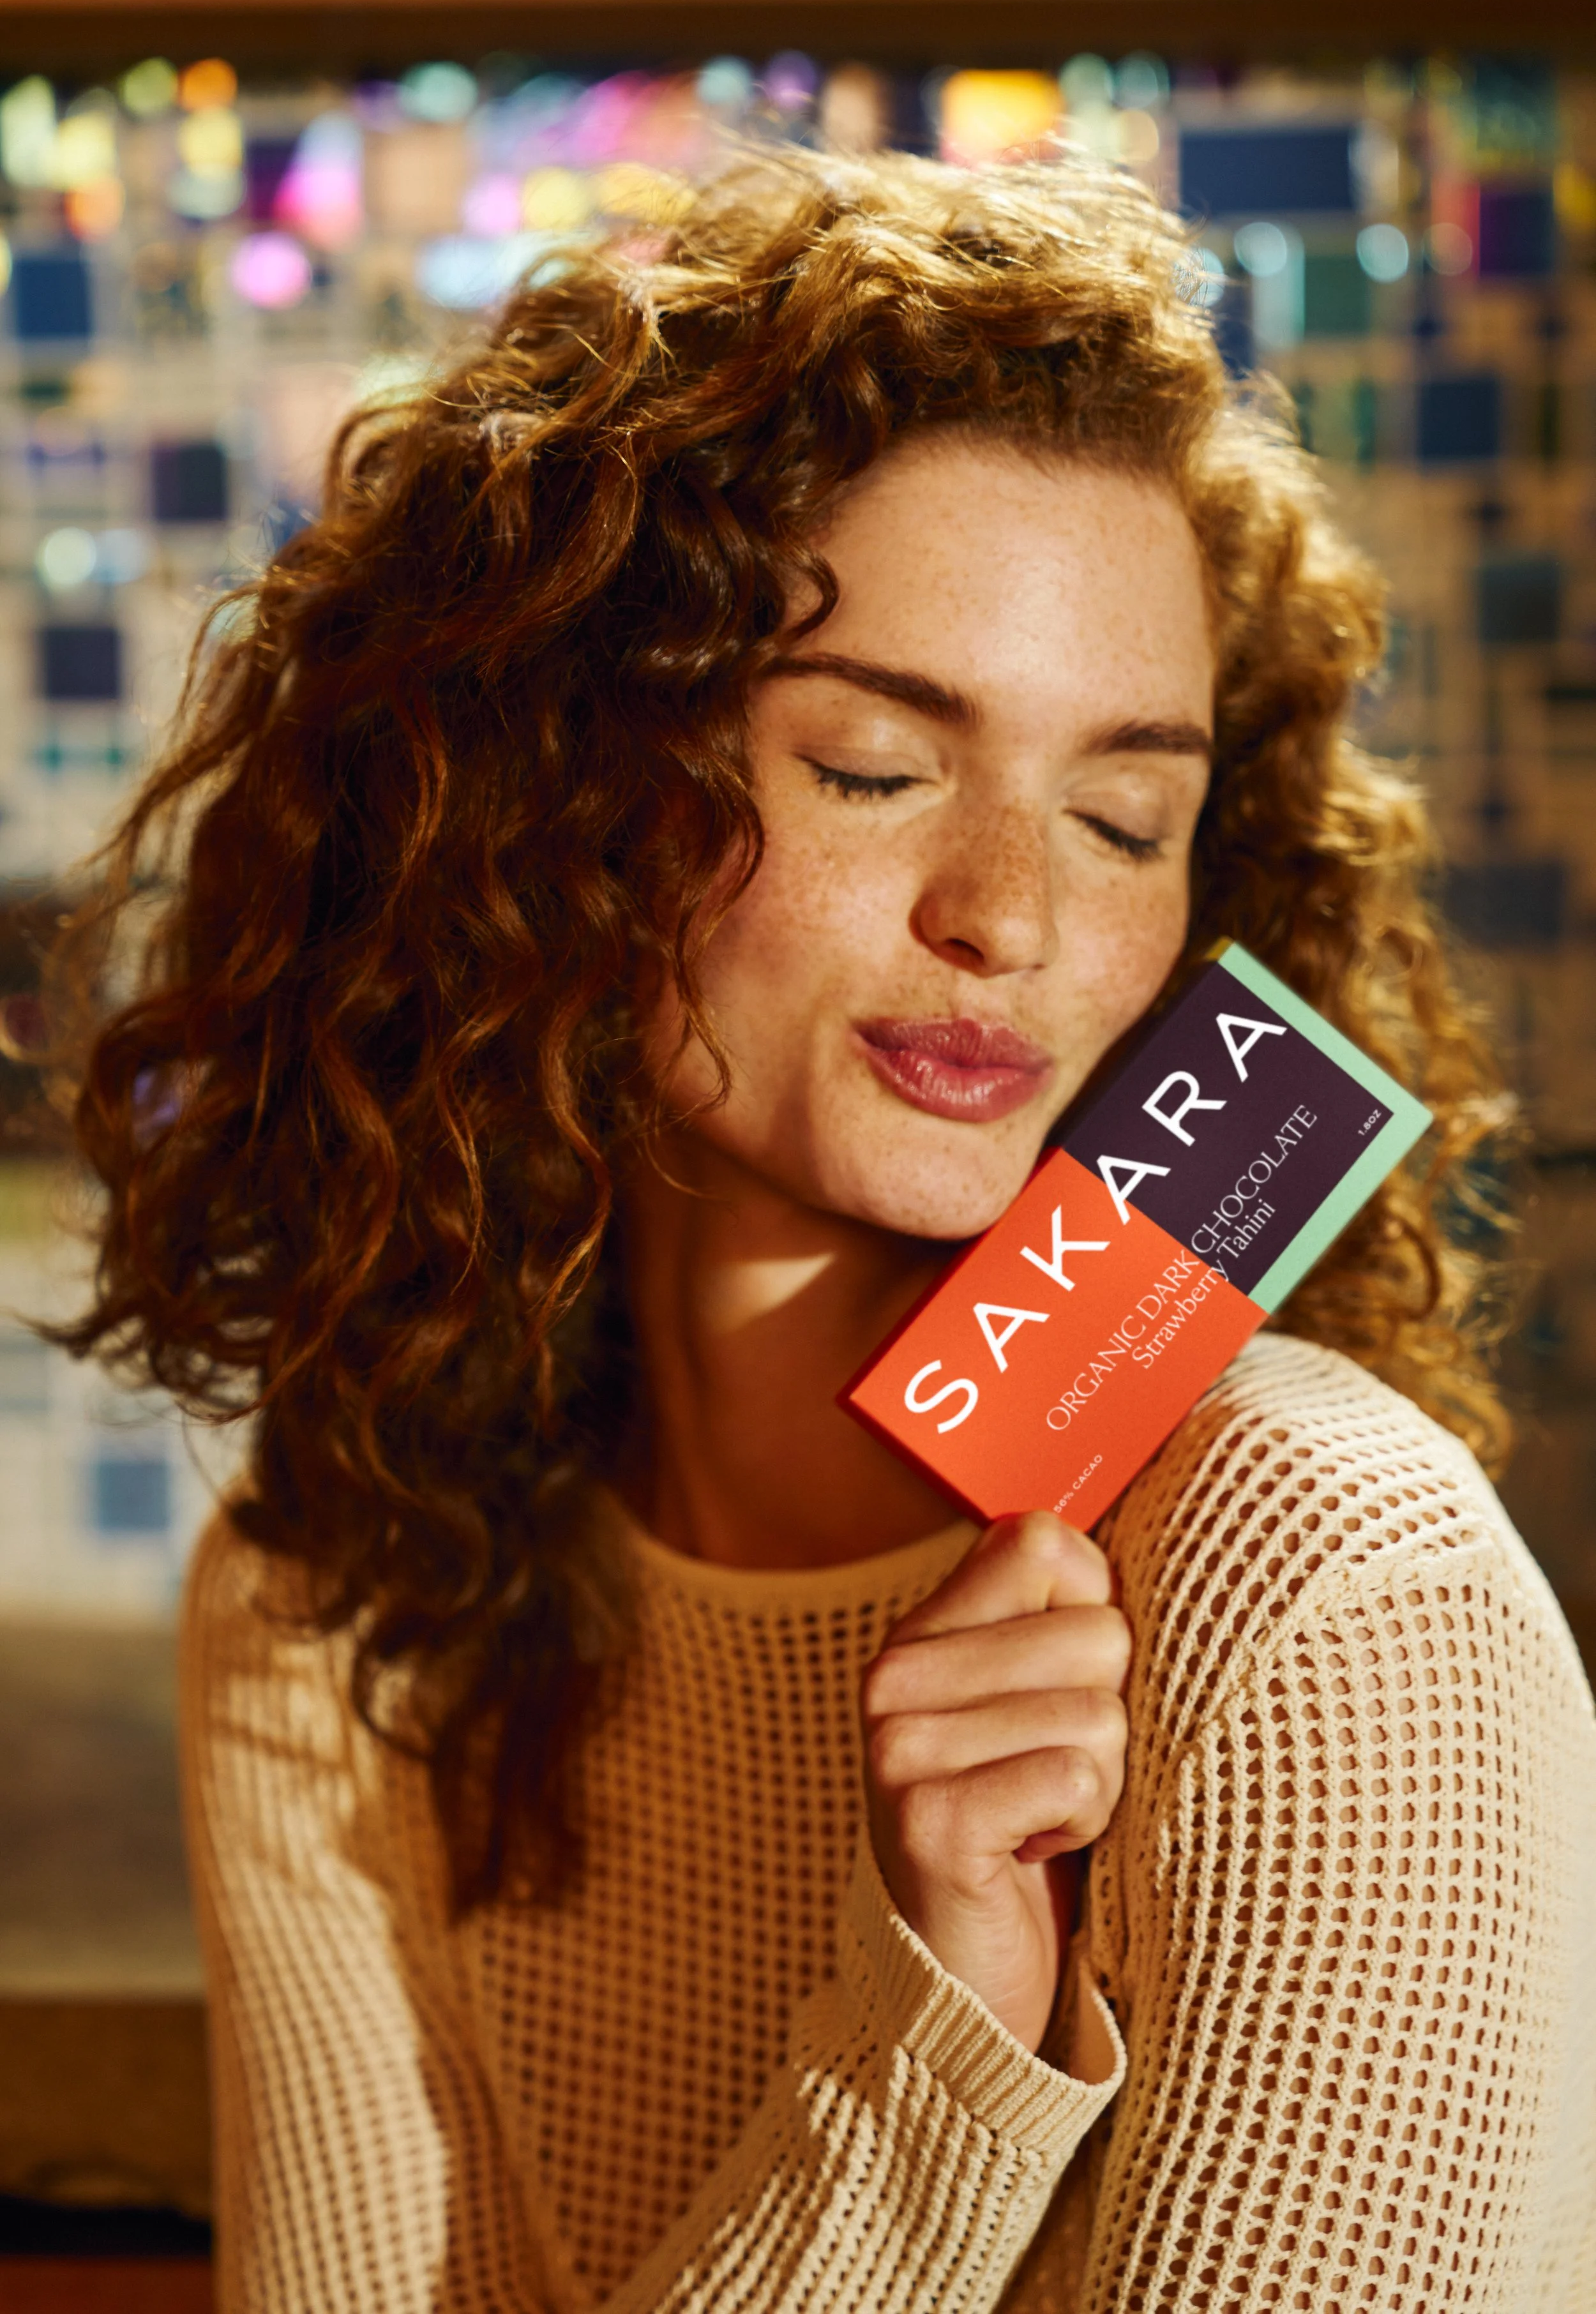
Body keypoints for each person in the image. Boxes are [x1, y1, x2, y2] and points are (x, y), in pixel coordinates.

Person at [49, 148, 1595, 2310]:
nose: (1015, 914)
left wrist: (932, 2053)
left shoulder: (1322, 1590)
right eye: (873, 766)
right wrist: (928, 2040)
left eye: (1121, 815)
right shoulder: (332, 1613)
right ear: (546, 789)